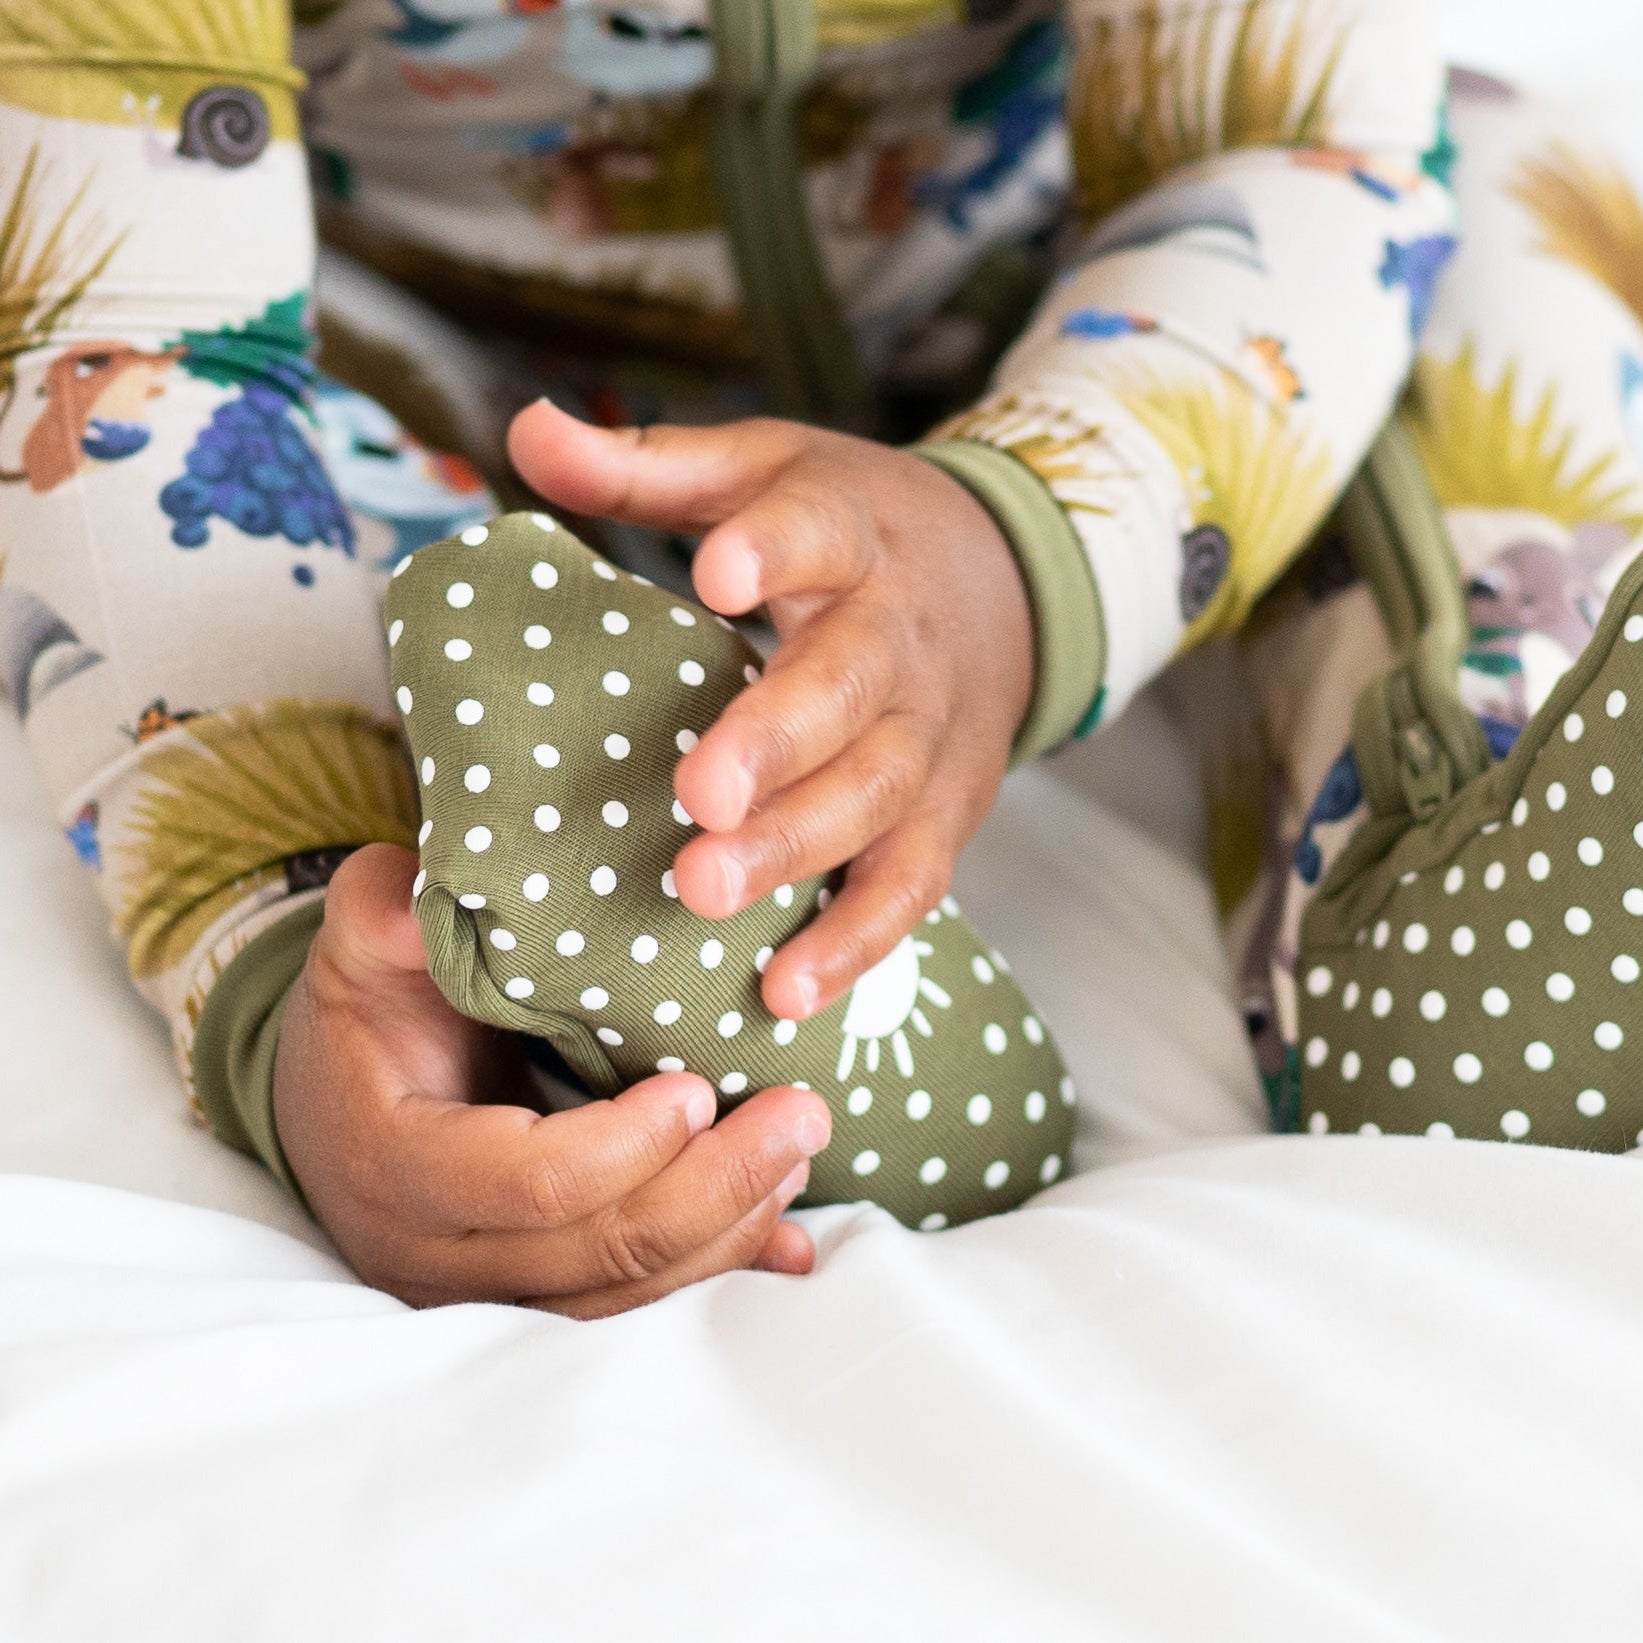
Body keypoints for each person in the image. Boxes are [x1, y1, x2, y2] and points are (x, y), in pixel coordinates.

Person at [1, 0, 1455, 1313]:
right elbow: (115, 322)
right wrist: (281, 976)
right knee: (172, 455)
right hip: (470, 379)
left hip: (1063, 295)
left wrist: (1022, 549)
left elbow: (1282, 135)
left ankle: (1456, 817)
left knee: (1440, 268)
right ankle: (551, 931)